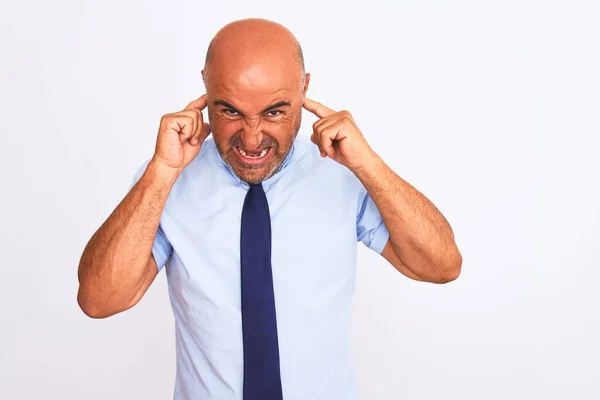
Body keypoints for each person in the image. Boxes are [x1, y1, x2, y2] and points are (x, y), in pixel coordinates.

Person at [77, 18, 462, 400]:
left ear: (305, 89)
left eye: (275, 112)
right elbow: (99, 300)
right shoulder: (167, 180)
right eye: (229, 111)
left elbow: (441, 266)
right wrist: (160, 173)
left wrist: (369, 166)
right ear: (205, 90)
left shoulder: (340, 172)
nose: (252, 138)